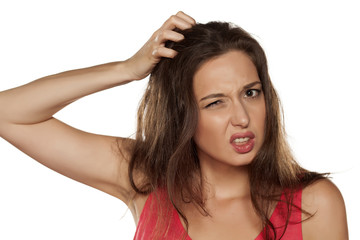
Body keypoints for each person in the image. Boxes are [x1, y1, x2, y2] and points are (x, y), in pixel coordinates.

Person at [0, 11, 348, 240]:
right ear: (183, 114)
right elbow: (7, 113)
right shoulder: (145, 178)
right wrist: (127, 69)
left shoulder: (315, 204)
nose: (242, 118)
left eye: (251, 93)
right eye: (215, 102)